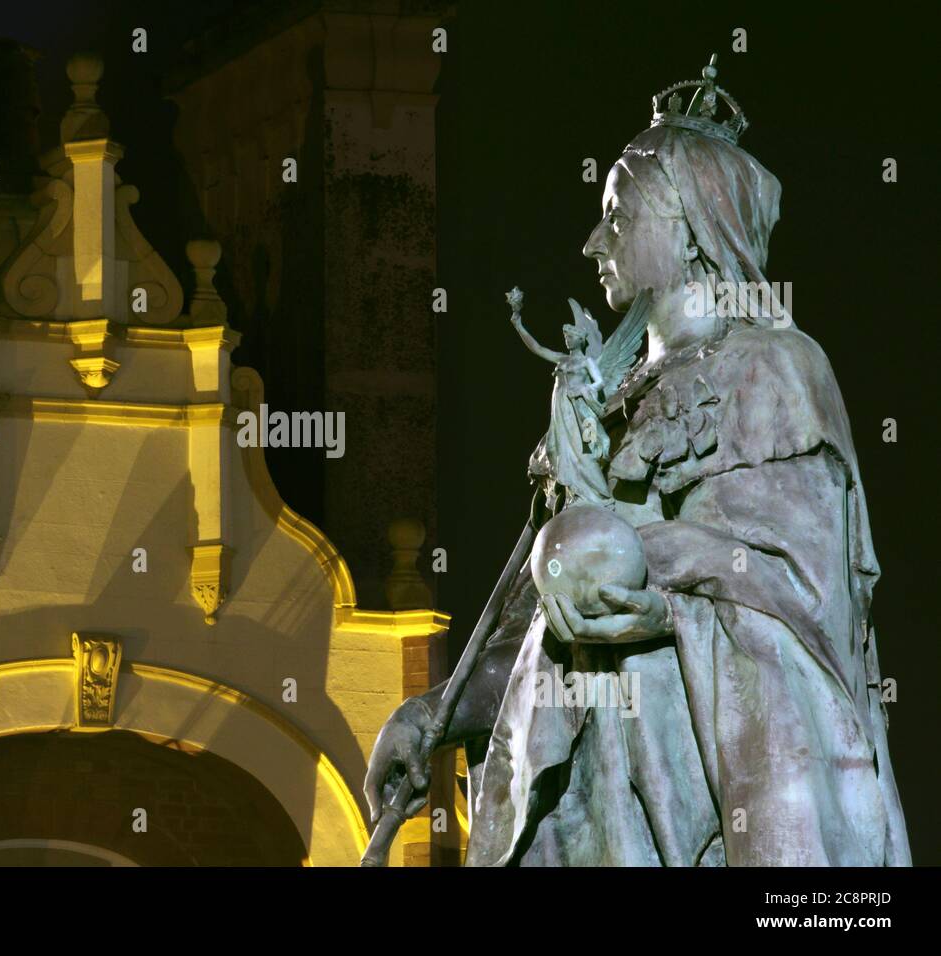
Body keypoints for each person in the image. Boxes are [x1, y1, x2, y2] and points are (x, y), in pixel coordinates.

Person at [364, 58, 910, 866]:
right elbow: (534, 634)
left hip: (710, 776)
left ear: (693, 225)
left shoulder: (775, 370)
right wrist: (440, 712)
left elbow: (799, 602)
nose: (594, 241)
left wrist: (640, 579)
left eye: (617, 216)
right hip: (594, 782)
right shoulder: (601, 406)